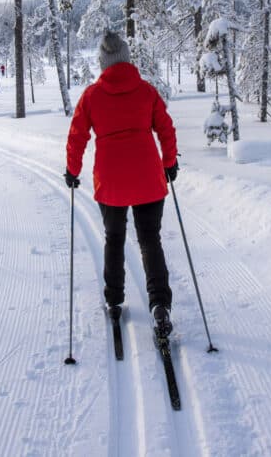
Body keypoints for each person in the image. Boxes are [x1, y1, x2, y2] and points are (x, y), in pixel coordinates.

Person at [64, 30, 179, 335]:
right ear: (127, 59)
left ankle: (114, 301)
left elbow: (77, 136)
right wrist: (170, 162)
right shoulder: (146, 92)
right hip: (148, 180)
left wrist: (72, 170)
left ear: (103, 63)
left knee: (114, 239)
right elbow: (166, 129)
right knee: (149, 240)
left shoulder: (91, 96)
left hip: (111, 182)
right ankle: (159, 305)